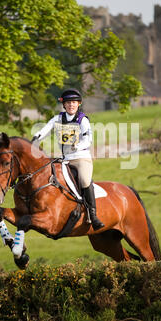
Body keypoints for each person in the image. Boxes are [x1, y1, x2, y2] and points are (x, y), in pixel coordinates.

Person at [31, 88, 105, 231]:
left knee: (84, 180)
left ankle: (93, 215)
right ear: (64, 105)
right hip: (65, 159)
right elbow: (45, 129)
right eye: (68, 103)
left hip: (81, 158)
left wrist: (77, 146)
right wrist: (35, 138)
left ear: (79, 104)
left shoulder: (82, 119)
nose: (71, 105)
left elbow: (88, 139)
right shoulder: (57, 119)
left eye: (74, 102)